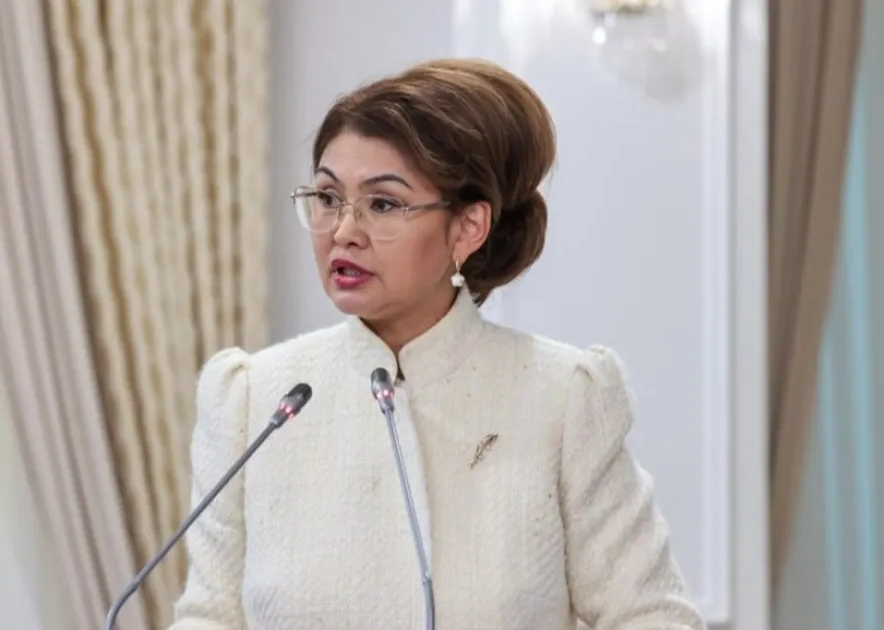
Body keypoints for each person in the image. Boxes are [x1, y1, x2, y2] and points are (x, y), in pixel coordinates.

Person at [169, 59, 705, 629]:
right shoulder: (252, 398)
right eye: (327, 197)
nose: (343, 231)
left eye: (382, 204)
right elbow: (207, 617)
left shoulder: (560, 397)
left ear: (468, 227)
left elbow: (653, 617)